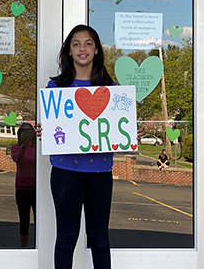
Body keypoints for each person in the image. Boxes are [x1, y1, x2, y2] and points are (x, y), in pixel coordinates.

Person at [36, 24, 142, 269]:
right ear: (69, 51)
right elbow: (55, 129)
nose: (82, 48)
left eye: (88, 43)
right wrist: (46, 131)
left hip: (99, 174)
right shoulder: (56, 89)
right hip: (65, 173)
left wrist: (129, 134)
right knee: (66, 237)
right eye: (76, 44)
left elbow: (117, 129)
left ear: (96, 50)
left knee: (100, 238)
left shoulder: (112, 90)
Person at [11, 122, 36, 247]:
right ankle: (24, 247)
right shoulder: (16, 148)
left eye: (29, 131)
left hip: (37, 188)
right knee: (24, 220)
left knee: (39, 220)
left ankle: (39, 245)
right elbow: (18, 160)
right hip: (22, 188)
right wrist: (23, 146)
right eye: (23, 131)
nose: (26, 133)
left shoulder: (38, 148)